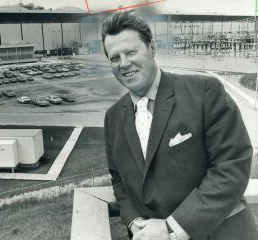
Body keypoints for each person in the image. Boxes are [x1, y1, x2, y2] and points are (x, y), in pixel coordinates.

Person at [102, 11, 258, 240]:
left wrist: (171, 227)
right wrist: (135, 222)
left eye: (131, 52)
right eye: (115, 58)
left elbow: (231, 166)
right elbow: (119, 181)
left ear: (152, 48)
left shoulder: (204, 91)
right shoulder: (113, 117)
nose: (124, 63)